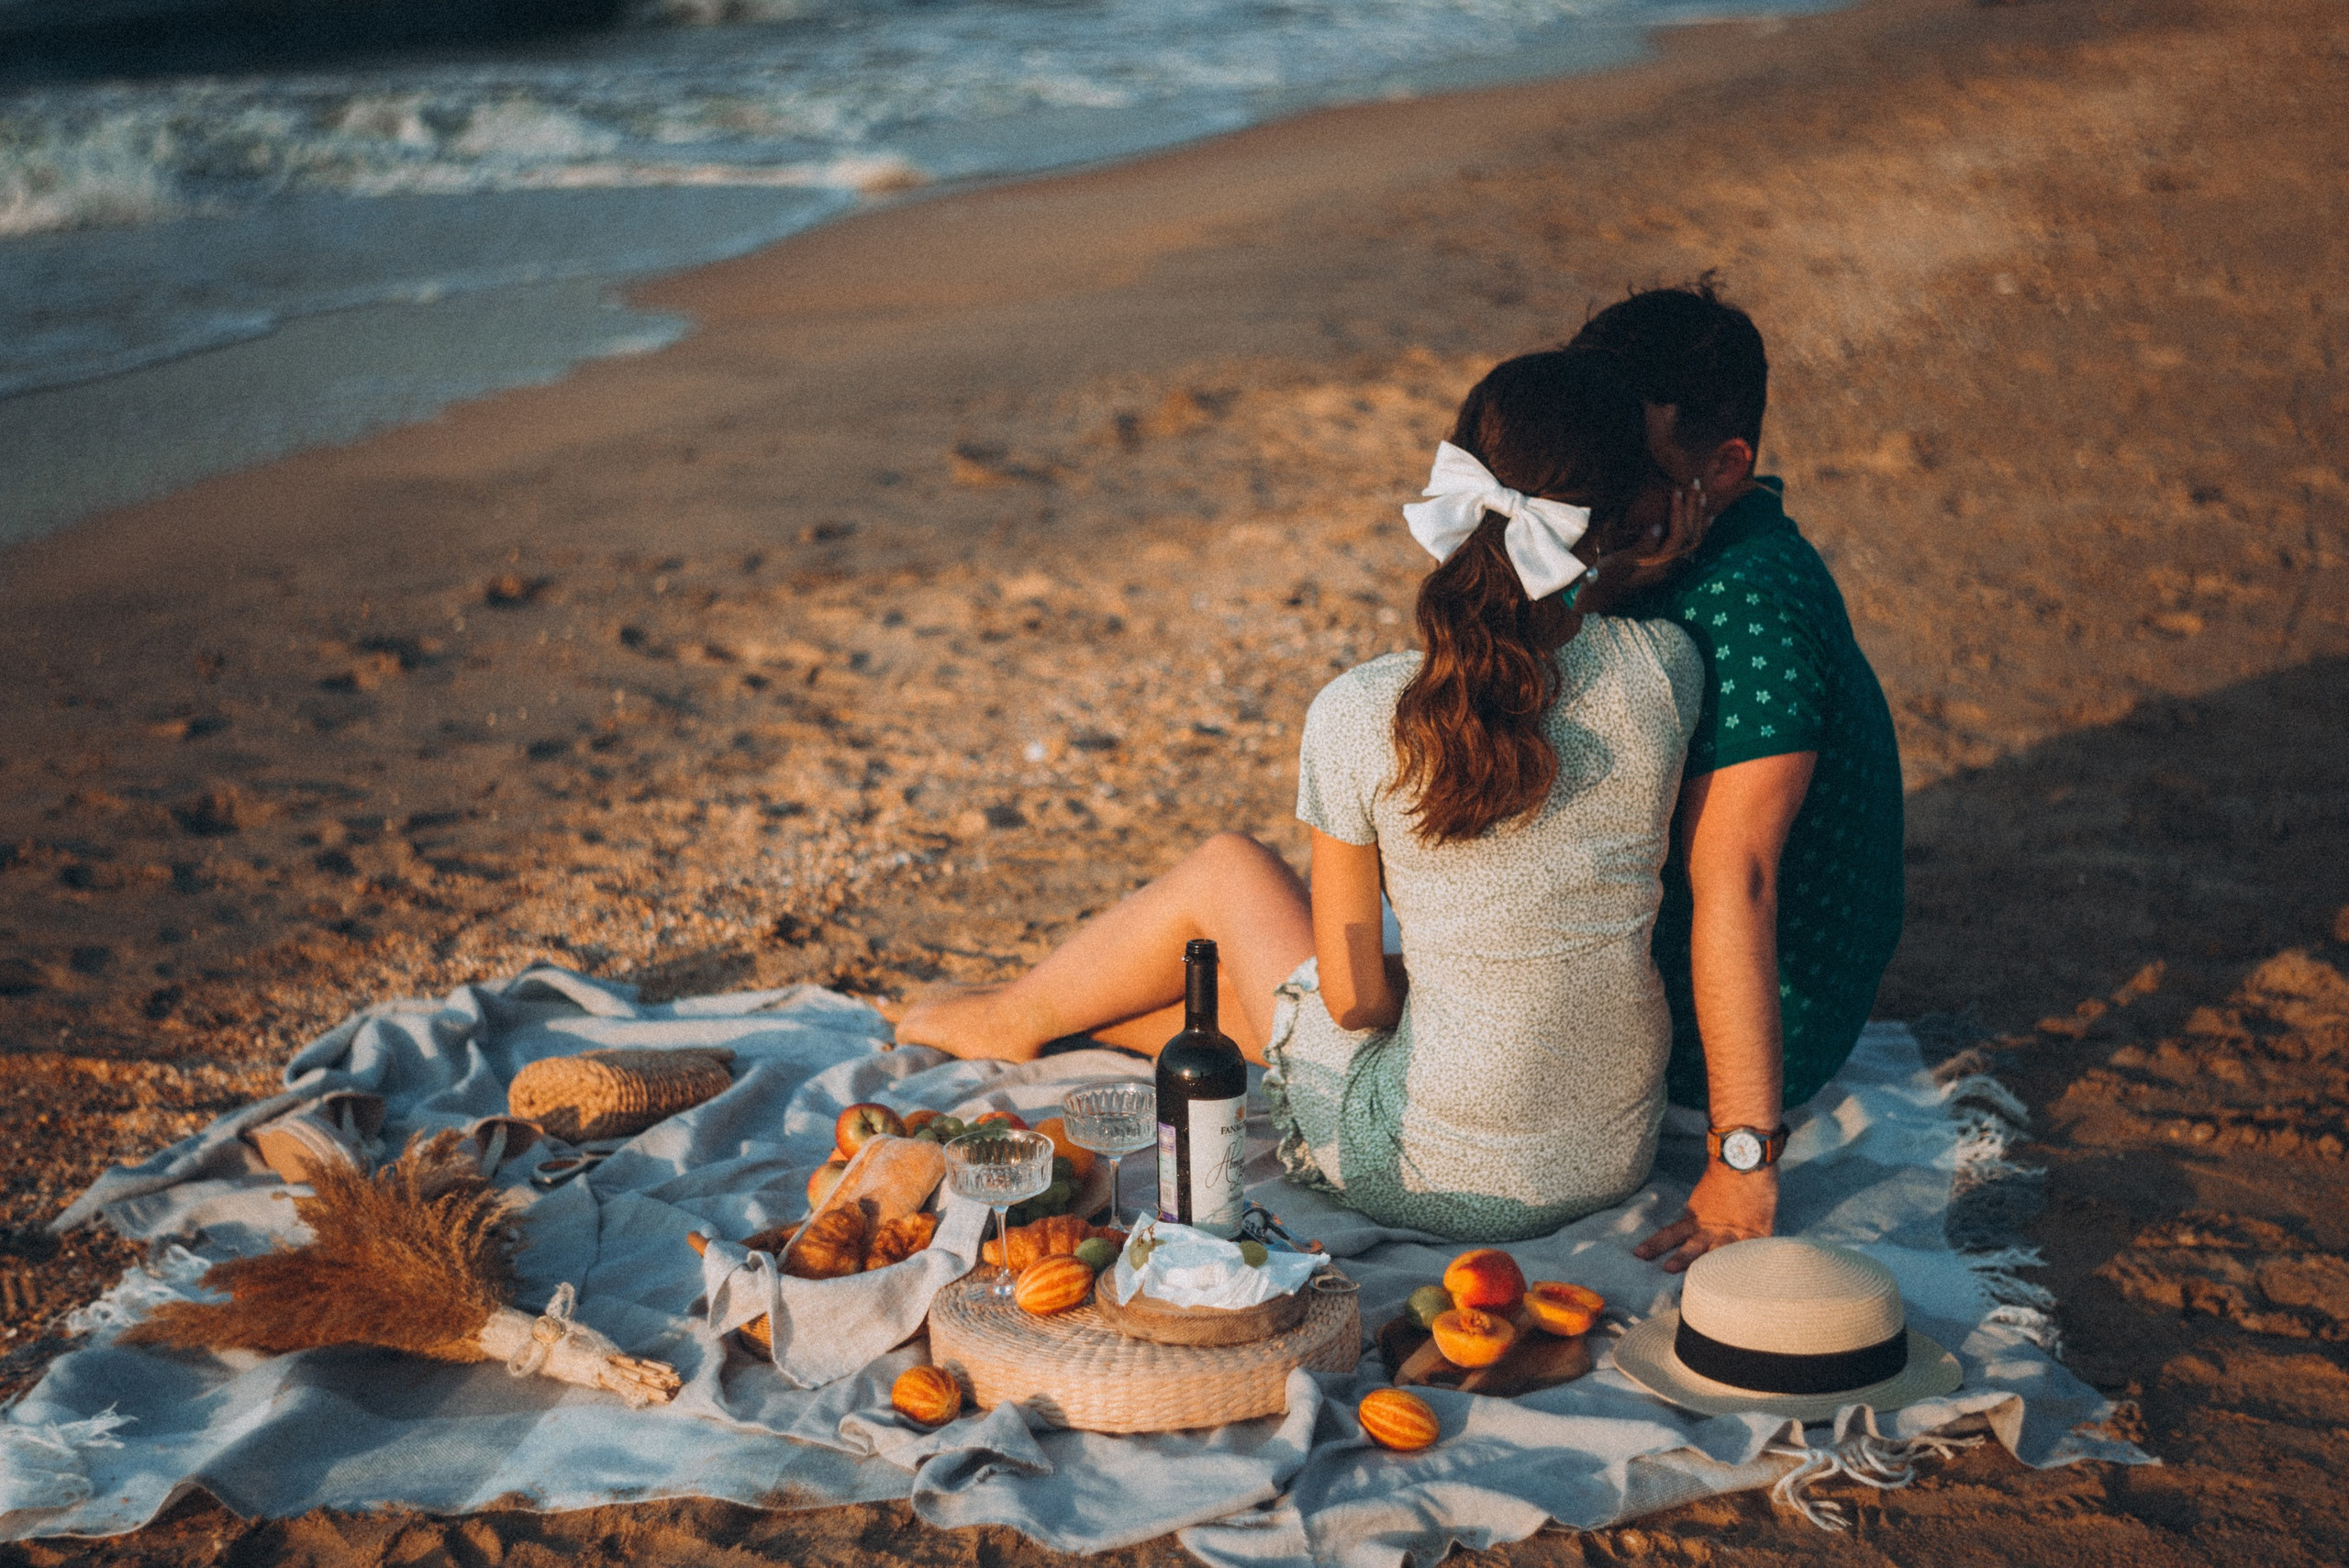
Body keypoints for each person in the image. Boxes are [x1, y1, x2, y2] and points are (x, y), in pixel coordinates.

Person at [895, 348, 1705, 1242]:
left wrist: (1442, 996)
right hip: (1605, 1156)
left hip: (1414, 1168)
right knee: (1317, 983)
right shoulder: (1664, 671)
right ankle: (1054, 1019)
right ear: (1640, 516)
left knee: (1228, 871)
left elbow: (1355, 1001)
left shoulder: (1366, 710)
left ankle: (1012, 1015)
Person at [1565, 282, 1906, 1273]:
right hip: (1660, 965)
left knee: (1259, 928)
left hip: (1713, 1046)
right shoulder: (1685, 549)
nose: (1601, 486)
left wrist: (1742, 1156)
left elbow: (1741, 877)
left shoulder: (1748, 602)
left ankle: (1084, 1030)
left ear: (1724, 467)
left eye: (1635, 464)